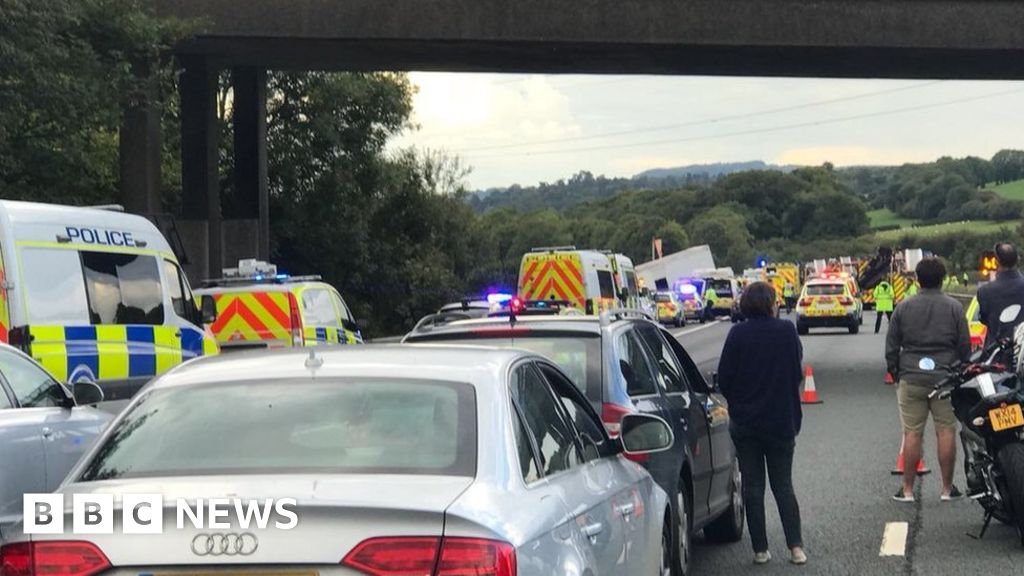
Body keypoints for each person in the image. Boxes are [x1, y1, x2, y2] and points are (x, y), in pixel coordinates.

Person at [717, 282, 806, 566]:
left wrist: (740, 404)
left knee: (753, 487)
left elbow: (725, 378)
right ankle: (795, 547)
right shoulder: (786, 332)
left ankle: (760, 549)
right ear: (771, 304)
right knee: (783, 486)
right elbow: (797, 371)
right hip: (781, 419)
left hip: (746, 423)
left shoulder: (737, 334)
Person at [886, 258, 971, 502]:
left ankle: (907, 489)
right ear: (943, 279)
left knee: (912, 433)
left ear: (917, 279)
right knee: (946, 431)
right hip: (944, 377)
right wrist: (961, 368)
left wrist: (895, 370)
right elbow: (964, 344)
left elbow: (892, 344)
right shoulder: (954, 308)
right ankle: (947, 488)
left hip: (911, 375)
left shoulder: (903, 307)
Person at [976, 243, 1024, 346]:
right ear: (1018, 259)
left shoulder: (985, 291)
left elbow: (985, 319)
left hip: (997, 353)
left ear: (997, 262)